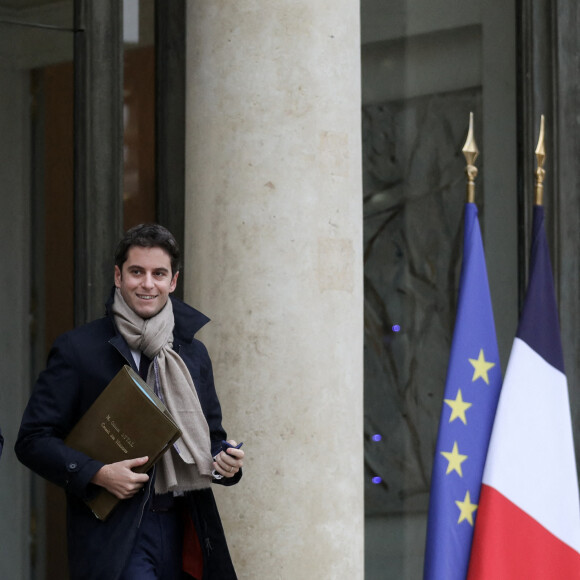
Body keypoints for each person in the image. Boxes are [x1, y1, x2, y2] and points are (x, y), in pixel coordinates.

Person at [15, 224, 244, 580]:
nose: (147, 284)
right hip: (117, 534)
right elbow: (32, 440)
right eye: (137, 272)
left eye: (158, 274)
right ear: (119, 276)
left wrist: (223, 462)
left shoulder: (193, 353)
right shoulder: (78, 349)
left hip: (185, 528)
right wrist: (98, 474)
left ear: (173, 281)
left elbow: (212, 438)